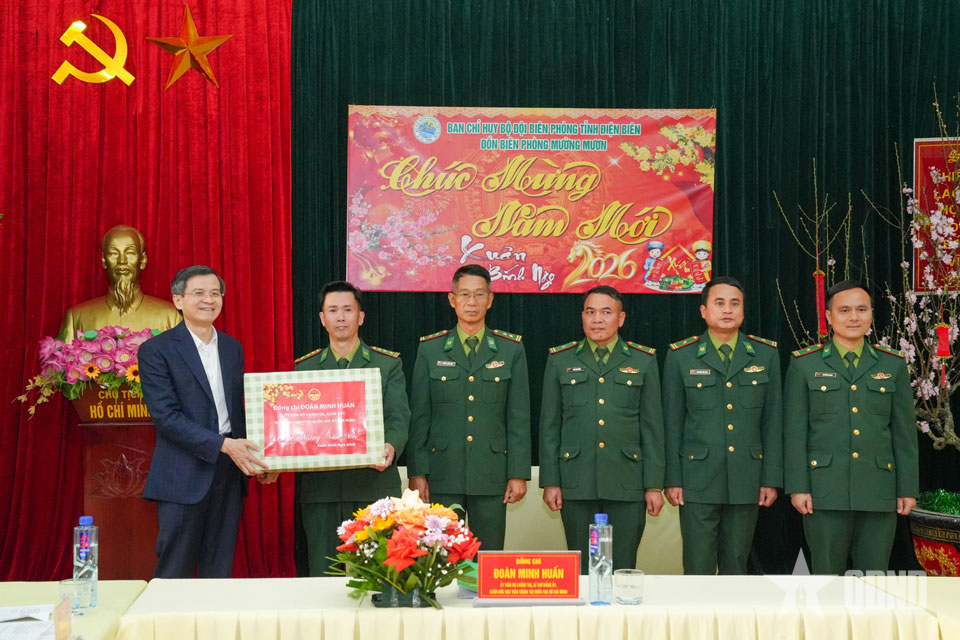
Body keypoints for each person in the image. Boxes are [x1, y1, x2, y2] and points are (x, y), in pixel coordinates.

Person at [139, 265, 275, 578]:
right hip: (182, 475)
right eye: (198, 293)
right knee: (175, 571)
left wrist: (263, 458)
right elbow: (166, 417)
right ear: (178, 300)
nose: (208, 300)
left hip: (229, 474)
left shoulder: (231, 348)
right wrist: (223, 445)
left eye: (215, 293)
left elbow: (238, 412)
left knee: (219, 570)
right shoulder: (156, 351)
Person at [784, 280, 919, 574]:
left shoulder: (892, 364)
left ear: (871, 314)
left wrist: (907, 488)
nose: (853, 317)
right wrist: (797, 487)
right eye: (844, 310)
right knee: (826, 577)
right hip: (823, 491)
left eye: (861, 309)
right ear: (829, 316)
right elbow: (794, 433)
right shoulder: (804, 364)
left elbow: (904, 434)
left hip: (879, 489)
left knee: (873, 579)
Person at [539, 285, 665, 572]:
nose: (597, 319)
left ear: (621, 318)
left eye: (606, 312)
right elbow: (549, 426)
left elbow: (652, 427)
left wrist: (653, 485)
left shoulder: (643, 360)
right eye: (590, 312)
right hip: (576, 480)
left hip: (627, 481)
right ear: (582, 317)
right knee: (583, 569)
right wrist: (551, 481)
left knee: (622, 566)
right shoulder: (560, 360)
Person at [662, 276, 782, 574]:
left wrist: (770, 478)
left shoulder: (765, 354)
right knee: (698, 566)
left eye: (734, 303)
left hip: (747, 478)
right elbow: (672, 423)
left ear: (743, 310)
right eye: (719, 303)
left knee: (736, 566)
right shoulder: (681, 356)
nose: (727, 310)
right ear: (704, 311)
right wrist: (672, 479)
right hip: (696, 479)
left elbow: (773, 422)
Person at [407, 264, 530, 550]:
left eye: (479, 294)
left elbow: (519, 417)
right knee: (442, 557)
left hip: (492, 473)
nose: (471, 302)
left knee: (488, 557)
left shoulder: (510, 349)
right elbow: (420, 417)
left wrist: (517, 473)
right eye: (464, 294)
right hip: (442, 473)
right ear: (452, 299)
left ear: (490, 299)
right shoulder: (430, 349)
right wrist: (417, 472)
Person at [295, 281, 410, 575]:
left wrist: (391, 445)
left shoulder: (387, 365)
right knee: (324, 576)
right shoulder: (304, 369)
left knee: (379, 575)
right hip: (321, 491)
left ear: (361, 316)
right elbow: (296, 428)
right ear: (322, 319)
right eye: (333, 310)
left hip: (373, 486)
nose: (341, 317)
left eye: (348, 310)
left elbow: (398, 417)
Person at [59, 225, 181, 340]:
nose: (122, 261)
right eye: (113, 253)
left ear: (143, 260)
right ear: (104, 260)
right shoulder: (76, 317)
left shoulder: (171, 317)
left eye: (130, 253)